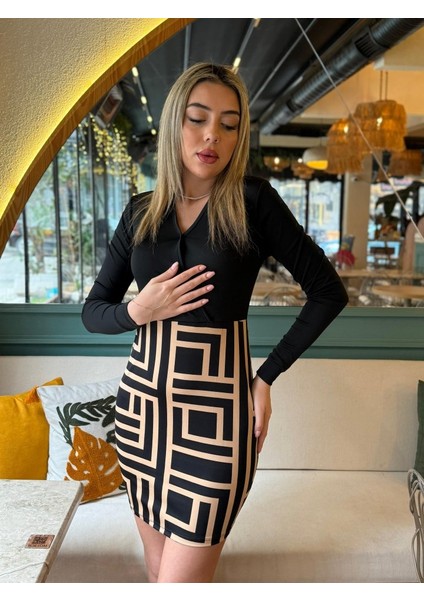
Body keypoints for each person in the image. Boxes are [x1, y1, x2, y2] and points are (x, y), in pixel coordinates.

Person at [81, 62, 349, 583]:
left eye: (229, 124)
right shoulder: (139, 213)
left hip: (219, 421)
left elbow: (327, 292)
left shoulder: (253, 202)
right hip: (141, 414)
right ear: (174, 123)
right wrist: (138, 311)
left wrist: (265, 377)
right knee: (158, 576)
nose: (212, 136)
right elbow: (94, 311)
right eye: (198, 118)